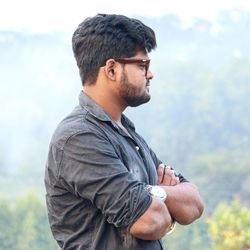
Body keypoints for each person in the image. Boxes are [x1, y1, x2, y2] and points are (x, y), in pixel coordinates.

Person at [44, 13, 204, 250]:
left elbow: (194, 204)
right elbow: (151, 221)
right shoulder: (79, 138)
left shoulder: (126, 133)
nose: (150, 74)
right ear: (111, 69)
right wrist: (163, 198)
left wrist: (152, 193)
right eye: (142, 65)